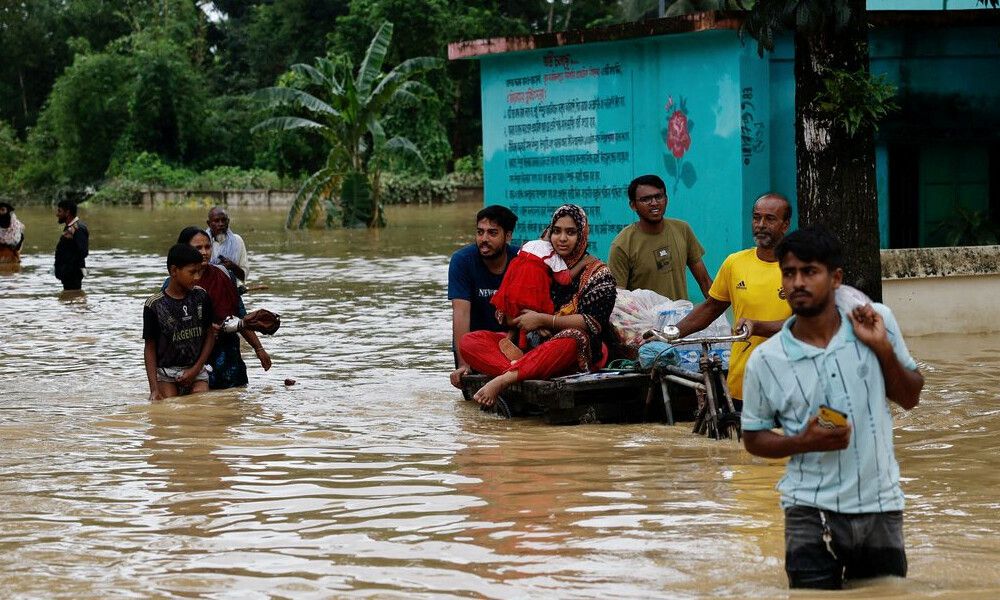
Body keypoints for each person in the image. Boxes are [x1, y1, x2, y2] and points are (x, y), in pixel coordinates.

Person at [741, 226, 923, 590]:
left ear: (835, 278)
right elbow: (753, 438)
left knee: (883, 595)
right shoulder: (765, 360)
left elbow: (910, 397)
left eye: (809, 271)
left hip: (879, 505)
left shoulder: (877, 321)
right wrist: (802, 442)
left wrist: (881, 349)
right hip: (806, 508)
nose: (797, 283)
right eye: (789, 273)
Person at [460, 204, 617, 406]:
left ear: (582, 235)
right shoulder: (537, 262)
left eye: (570, 232)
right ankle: (526, 370)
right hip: (530, 350)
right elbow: (505, 312)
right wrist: (521, 318)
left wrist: (544, 320)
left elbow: (592, 323)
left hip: (572, 353)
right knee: (470, 341)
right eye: (557, 231)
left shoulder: (598, 273)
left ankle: (506, 378)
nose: (562, 238)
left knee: (573, 338)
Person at [673, 192, 793, 406]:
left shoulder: (801, 268)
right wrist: (671, 332)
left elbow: (806, 325)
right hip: (742, 383)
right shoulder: (735, 263)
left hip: (790, 386)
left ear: (785, 225)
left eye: (770, 219)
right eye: (757, 218)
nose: (761, 224)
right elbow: (711, 308)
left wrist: (757, 326)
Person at [173, 226, 272, 389]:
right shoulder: (175, 283)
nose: (204, 252)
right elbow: (169, 327)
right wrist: (203, 329)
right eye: (198, 248)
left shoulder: (224, 275)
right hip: (192, 363)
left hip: (228, 360)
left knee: (233, 406)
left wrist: (259, 349)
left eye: (207, 247)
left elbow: (239, 315)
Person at [448, 205, 519, 388]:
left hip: (511, 343)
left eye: (492, 233)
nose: (484, 239)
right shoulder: (462, 261)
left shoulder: (520, 260)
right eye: (480, 232)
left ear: (508, 236)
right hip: (475, 347)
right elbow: (460, 313)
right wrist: (464, 364)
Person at [608, 174, 712, 300]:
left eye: (658, 197)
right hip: (645, 319)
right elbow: (619, 299)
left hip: (682, 319)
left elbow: (705, 281)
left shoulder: (682, 229)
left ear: (666, 200)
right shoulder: (622, 245)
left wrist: (720, 317)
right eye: (646, 199)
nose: (654, 203)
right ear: (633, 205)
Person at [143, 243, 217, 401]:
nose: (197, 277)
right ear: (174, 271)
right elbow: (149, 348)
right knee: (170, 407)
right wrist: (154, 389)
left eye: (199, 272)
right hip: (166, 374)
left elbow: (210, 335)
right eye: (192, 272)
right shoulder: (154, 305)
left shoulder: (201, 296)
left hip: (197, 371)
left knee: (201, 405)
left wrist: (195, 370)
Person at [489, 228, 574, 358]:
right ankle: (522, 351)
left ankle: (510, 340)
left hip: (512, 284)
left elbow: (520, 255)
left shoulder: (529, 244)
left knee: (515, 311)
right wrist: (580, 265)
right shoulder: (552, 253)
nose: (562, 239)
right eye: (557, 233)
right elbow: (564, 278)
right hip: (533, 290)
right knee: (531, 317)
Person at [206, 206, 248, 285]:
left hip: (231, 289)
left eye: (223, 220)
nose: (221, 224)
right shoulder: (203, 242)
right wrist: (218, 268)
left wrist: (232, 266)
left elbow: (244, 277)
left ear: (228, 221)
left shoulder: (237, 241)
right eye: (216, 221)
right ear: (209, 223)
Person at [54, 199, 89, 291]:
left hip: (73, 274)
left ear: (67, 212)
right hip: (68, 274)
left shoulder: (78, 228)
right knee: (71, 300)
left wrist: (68, 268)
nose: (57, 214)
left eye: (59, 211)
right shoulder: (70, 227)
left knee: (73, 299)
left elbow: (83, 252)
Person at [0, 201, 25, 266]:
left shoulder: (15, 225)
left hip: (13, 252)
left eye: (2, 210)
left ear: (7, 211)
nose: (0, 212)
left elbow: (20, 239)